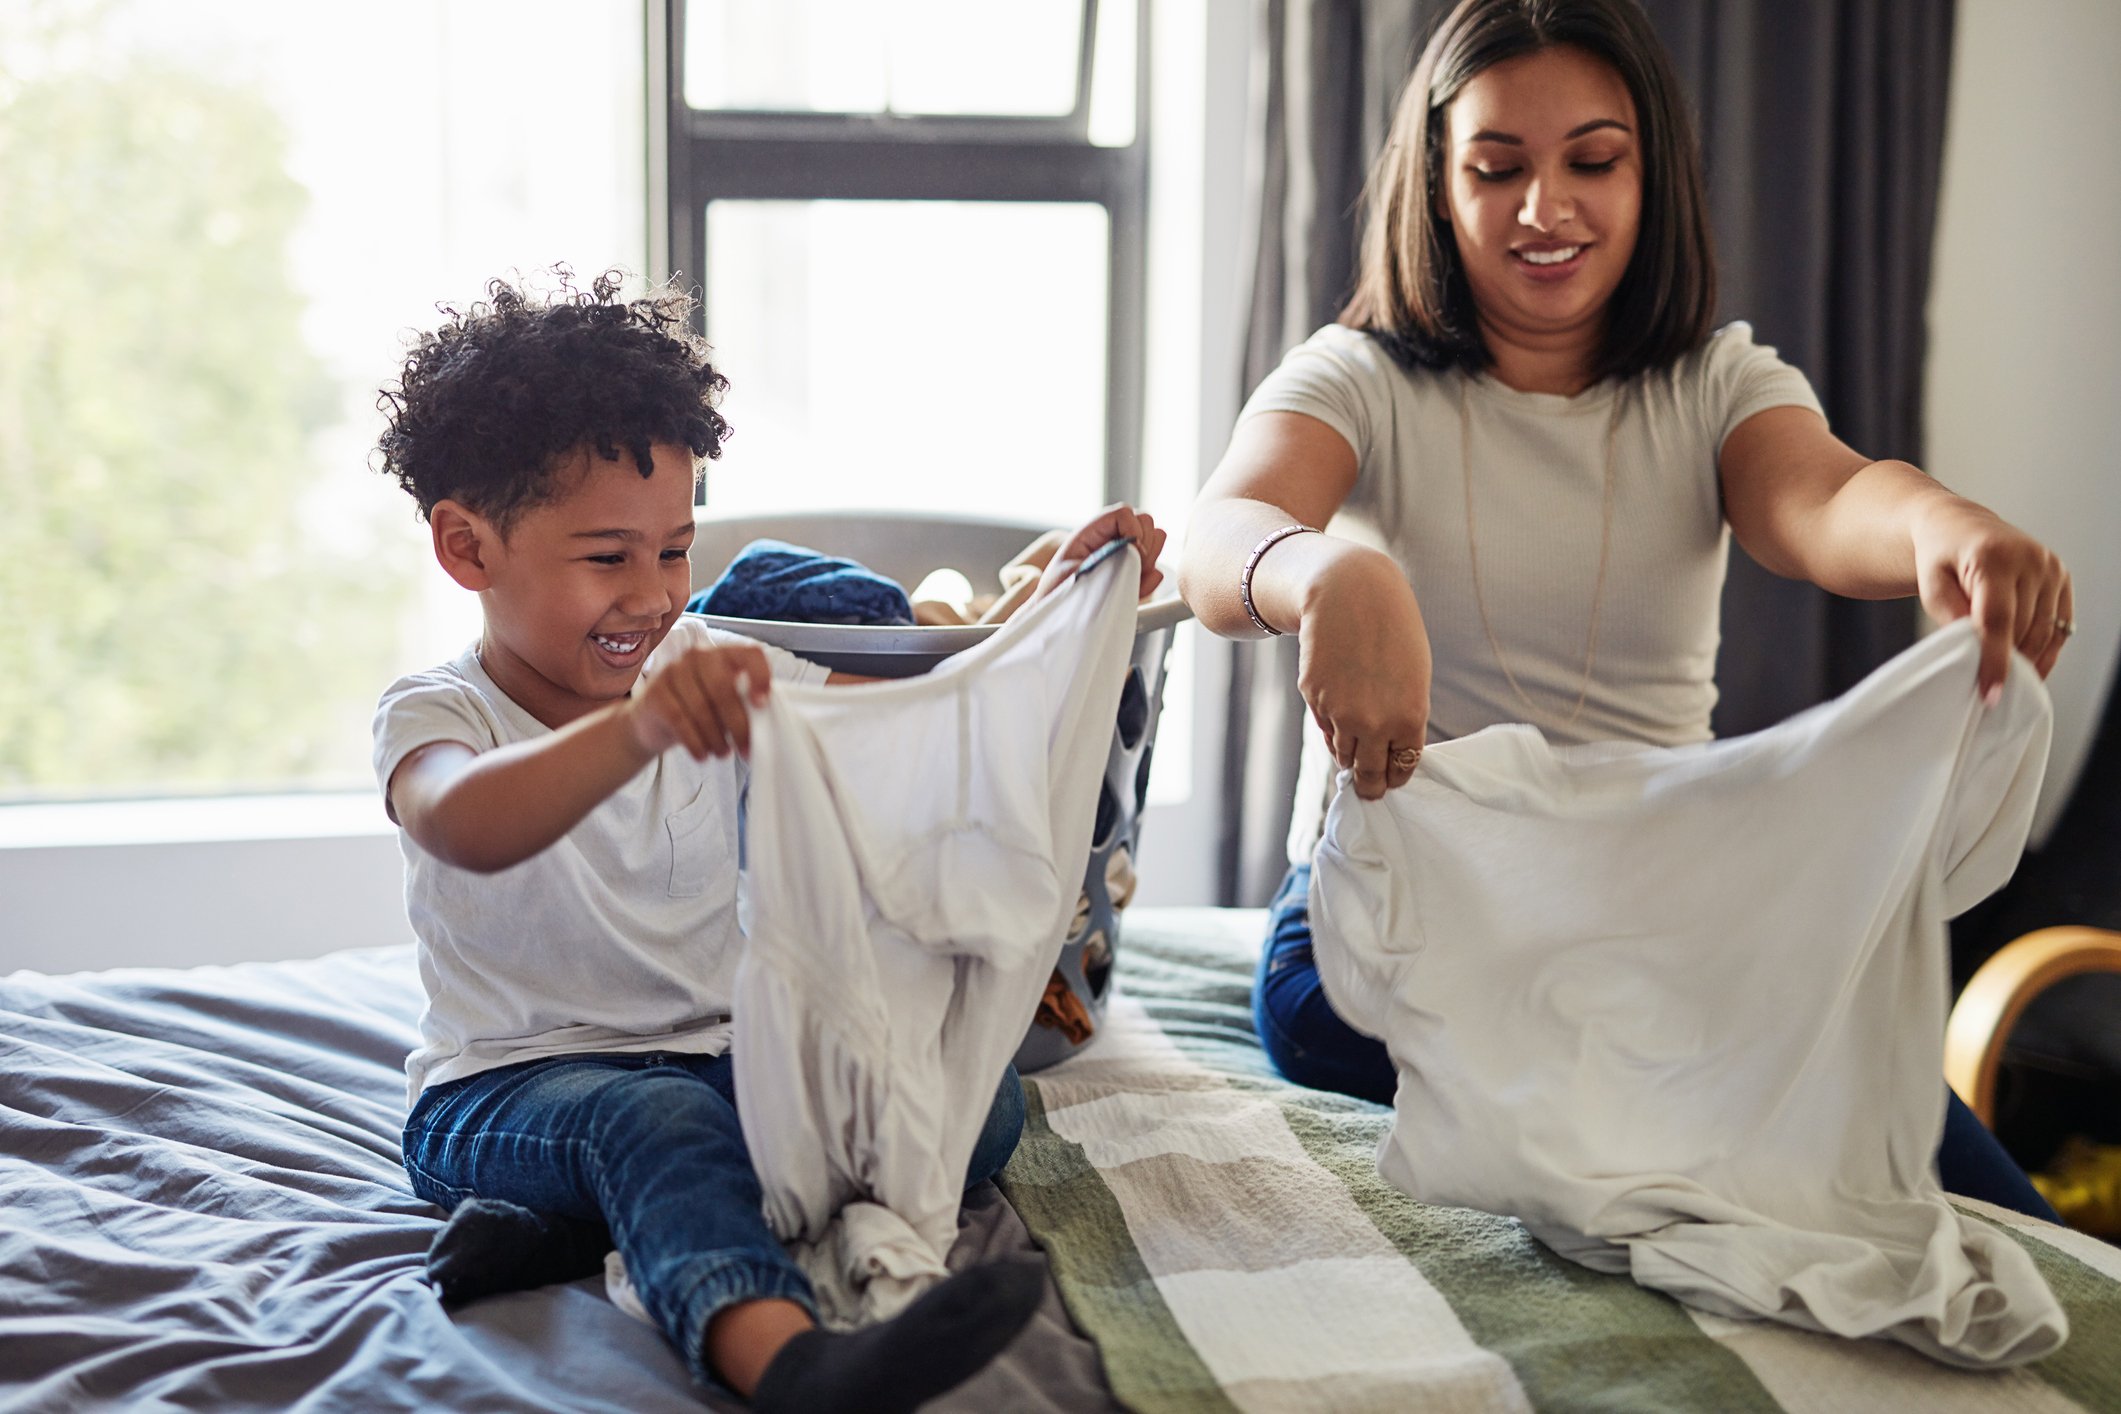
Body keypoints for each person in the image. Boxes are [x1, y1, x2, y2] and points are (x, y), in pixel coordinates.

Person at [1178, 0, 2072, 1219]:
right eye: (1498, 169)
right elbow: (1217, 534)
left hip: (1650, 940)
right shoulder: (1356, 376)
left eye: (1592, 162)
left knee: (1977, 1199)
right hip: (1386, 936)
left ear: (1652, 177)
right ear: (1439, 185)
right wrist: (1329, 571)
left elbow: (1828, 498)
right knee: (1670, 1094)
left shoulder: (1718, 386)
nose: (1546, 209)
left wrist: (1943, 528)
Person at [370, 268, 1165, 1411]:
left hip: (722, 1058)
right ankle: (789, 1361)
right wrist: (641, 729)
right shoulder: (439, 713)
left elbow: (930, 702)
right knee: (648, 1120)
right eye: (608, 558)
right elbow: (464, 822)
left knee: (967, 1104)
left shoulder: (696, 657)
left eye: (674, 550)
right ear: (467, 548)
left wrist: (1063, 599)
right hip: (511, 1089)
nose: (652, 596)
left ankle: (564, 1232)